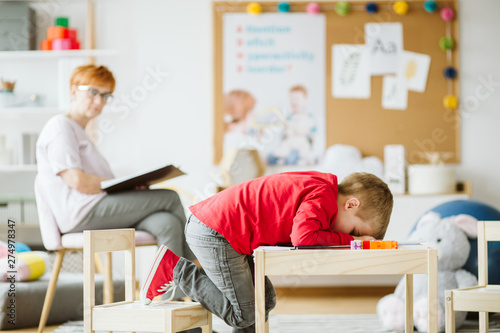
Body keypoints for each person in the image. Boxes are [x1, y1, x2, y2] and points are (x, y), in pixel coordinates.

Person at [140, 171, 393, 332]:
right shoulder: (324, 196)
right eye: (357, 231)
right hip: (216, 231)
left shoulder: (322, 189)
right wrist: (347, 240)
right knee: (244, 314)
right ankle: (176, 269)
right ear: (351, 204)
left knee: (264, 301)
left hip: (229, 234)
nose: (352, 238)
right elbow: (303, 238)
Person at [35, 64, 197, 274]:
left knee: (168, 223)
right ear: (73, 90)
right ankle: (198, 271)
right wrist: (119, 187)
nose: (99, 101)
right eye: (93, 92)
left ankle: (172, 297)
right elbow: (77, 181)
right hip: (81, 212)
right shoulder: (60, 126)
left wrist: (127, 187)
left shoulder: (79, 131)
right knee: (170, 197)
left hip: (93, 207)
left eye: (105, 95)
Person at [268, 85, 317, 165]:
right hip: (289, 143)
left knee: (300, 153)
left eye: (297, 99)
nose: (294, 102)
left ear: (304, 100)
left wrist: (303, 132)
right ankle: (282, 158)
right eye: (292, 99)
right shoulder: (288, 117)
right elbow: (283, 135)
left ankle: (304, 159)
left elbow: (312, 134)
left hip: (301, 143)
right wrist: (286, 132)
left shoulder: (309, 117)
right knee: (275, 155)